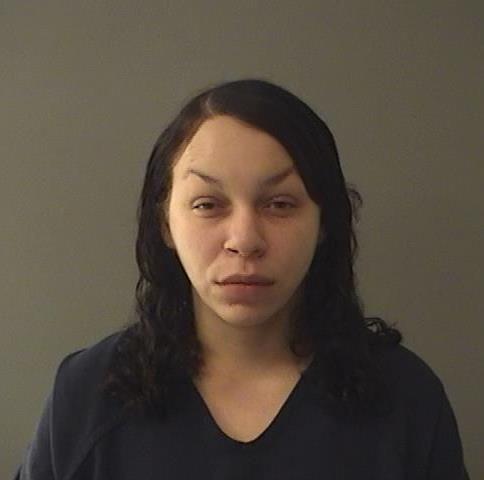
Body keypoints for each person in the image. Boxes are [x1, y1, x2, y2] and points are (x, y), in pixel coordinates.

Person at [15, 79, 469, 479]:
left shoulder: (406, 399)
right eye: (208, 205)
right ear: (165, 223)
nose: (245, 240)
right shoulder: (87, 395)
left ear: (324, 222)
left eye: (280, 204)